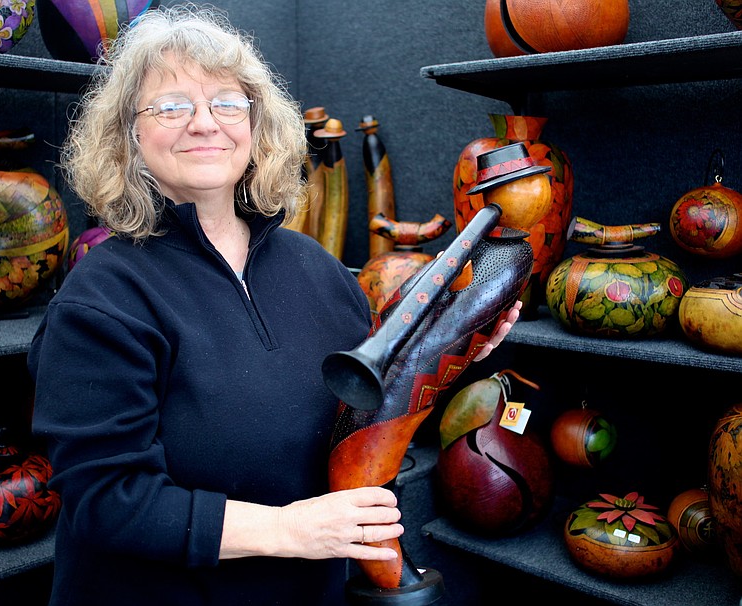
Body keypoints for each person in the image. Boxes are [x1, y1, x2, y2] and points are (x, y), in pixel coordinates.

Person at [27, 4, 520, 605]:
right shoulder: (103, 297)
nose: (204, 122)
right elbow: (107, 500)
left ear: (257, 127)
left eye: (227, 103)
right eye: (171, 105)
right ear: (129, 135)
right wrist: (288, 530)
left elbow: (357, 419)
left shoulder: (317, 269)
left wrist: (443, 358)